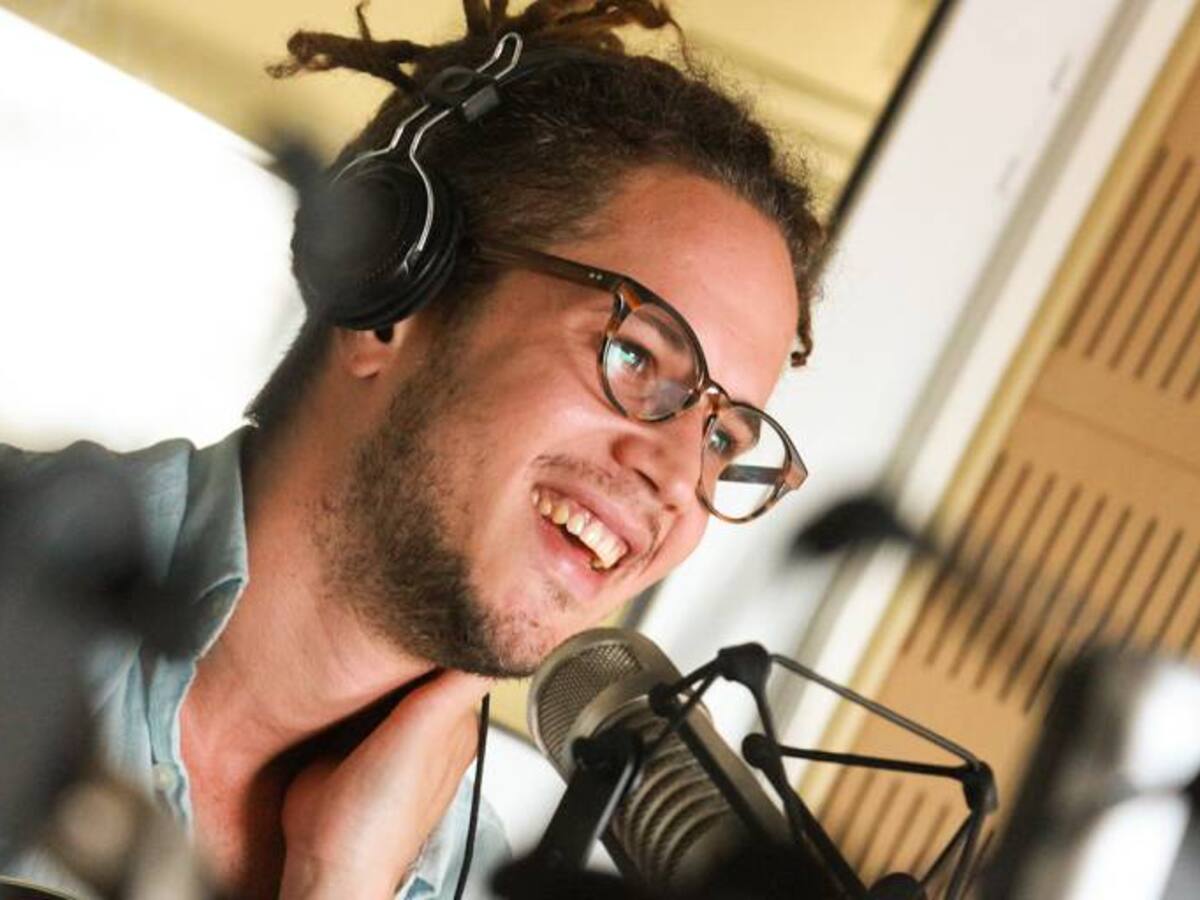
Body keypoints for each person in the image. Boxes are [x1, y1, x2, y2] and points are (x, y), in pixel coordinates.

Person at [0, 1, 823, 898]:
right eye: (635, 355)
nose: (674, 476)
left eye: (722, 439)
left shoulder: (473, 879)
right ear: (393, 302)